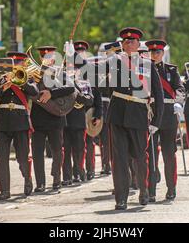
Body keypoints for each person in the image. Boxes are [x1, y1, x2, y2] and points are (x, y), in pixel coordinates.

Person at [94, 27, 164, 210]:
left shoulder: (148, 65)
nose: (128, 43)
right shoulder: (115, 61)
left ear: (139, 44)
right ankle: (121, 198)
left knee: (140, 157)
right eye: (125, 41)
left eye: (132, 41)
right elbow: (93, 72)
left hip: (139, 114)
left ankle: (144, 190)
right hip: (117, 114)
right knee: (119, 159)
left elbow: (158, 94)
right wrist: (72, 59)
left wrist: (156, 121)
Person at [0, 52, 39, 200]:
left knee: (22, 157)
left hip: (20, 122)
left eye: (19, 63)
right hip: (3, 122)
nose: (16, 66)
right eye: (14, 63)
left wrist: (20, 82)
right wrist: (4, 86)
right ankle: (5, 191)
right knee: (2, 159)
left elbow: (34, 92)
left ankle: (27, 178)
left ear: (24, 64)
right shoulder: (3, 79)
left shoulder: (28, 78)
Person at [31, 46, 76, 192]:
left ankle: (56, 179)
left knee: (57, 150)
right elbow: (28, 90)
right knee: (37, 152)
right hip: (38, 117)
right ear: (40, 58)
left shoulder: (60, 72)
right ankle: (40, 183)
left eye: (49, 57)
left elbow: (70, 88)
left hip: (56, 117)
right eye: (43, 56)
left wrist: (51, 92)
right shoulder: (33, 73)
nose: (46, 59)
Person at [145, 39, 185, 201]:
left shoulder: (171, 70)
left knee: (169, 153)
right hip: (151, 113)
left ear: (162, 53)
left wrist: (178, 102)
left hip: (168, 113)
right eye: (152, 52)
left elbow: (180, 89)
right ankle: (151, 190)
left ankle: (171, 188)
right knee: (151, 154)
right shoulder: (143, 70)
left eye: (158, 52)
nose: (155, 55)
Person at [62, 51, 95, 185]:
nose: (72, 70)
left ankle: (78, 172)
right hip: (64, 119)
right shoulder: (61, 81)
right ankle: (67, 176)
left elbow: (90, 100)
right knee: (66, 149)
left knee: (79, 149)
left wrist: (78, 94)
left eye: (74, 67)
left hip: (79, 120)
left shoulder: (84, 83)